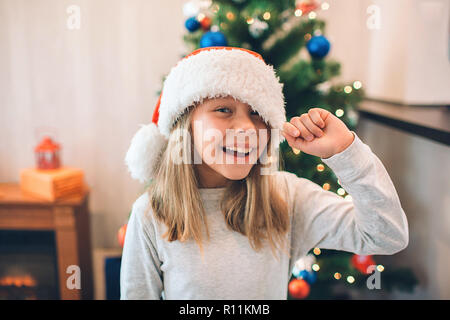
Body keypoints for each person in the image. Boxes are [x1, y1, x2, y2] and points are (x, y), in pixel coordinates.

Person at [120, 46, 409, 300]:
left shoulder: (287, 198)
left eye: (257, 113)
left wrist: (346, 151)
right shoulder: (150, 216)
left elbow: (386, 236)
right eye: (223, 109)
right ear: (186, 125)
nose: (247, 128)